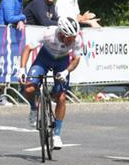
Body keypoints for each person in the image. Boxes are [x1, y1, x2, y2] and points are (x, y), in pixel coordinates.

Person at [18, 16, 82, 149]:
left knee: (62, 97)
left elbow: (76, 59)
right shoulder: (48, 33)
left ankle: (57, 134)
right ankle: (34, 108)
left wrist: (66, 72)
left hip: (62, 62)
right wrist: (22, 69)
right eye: (70, 37)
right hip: (44, 58)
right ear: (61, 33)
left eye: (74, 36)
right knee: (29, 88)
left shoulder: (76, 39)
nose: (72, 39)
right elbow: (28, 48)